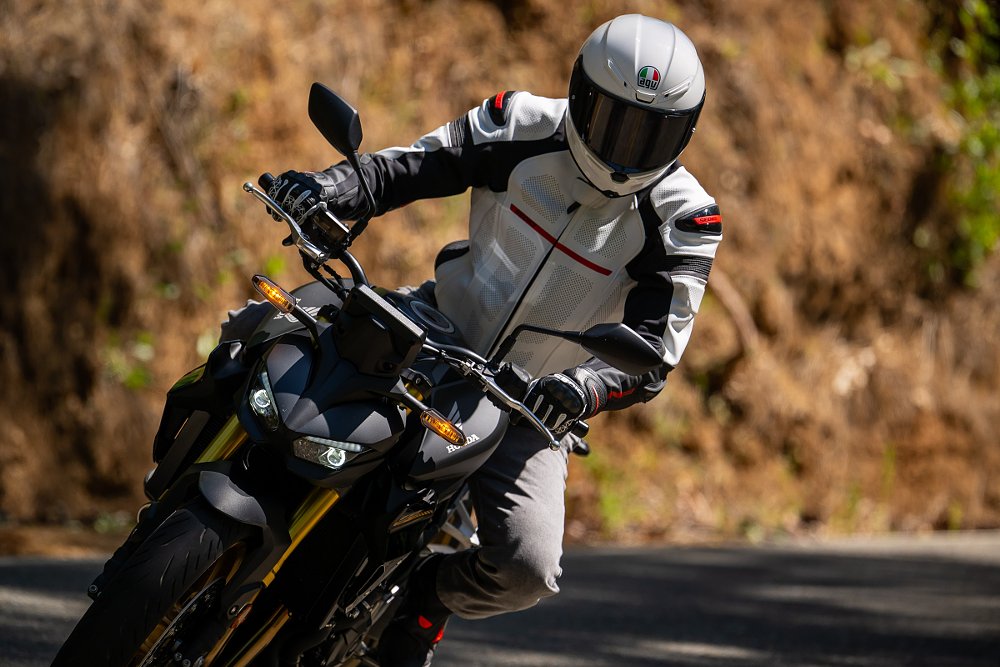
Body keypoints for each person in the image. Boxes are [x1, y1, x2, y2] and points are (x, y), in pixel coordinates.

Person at [242, 14, 721, 667]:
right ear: (580, 93)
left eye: (650, 132)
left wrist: (579, 389)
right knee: (268, 328)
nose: (623, 147)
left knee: (527, 566)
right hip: (431, 327)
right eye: (612, 119)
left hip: (533, 399)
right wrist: (329, 186)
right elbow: (405, 168)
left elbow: (652, 350)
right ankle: (190, 483)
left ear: (684, 132)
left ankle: (423, 602)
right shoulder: (519, 120)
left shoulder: (686, 217)